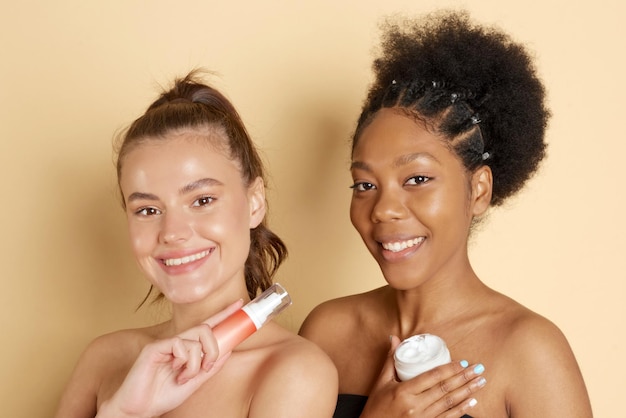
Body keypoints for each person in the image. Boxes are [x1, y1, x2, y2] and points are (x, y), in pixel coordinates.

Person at [300, 10, 592, 418]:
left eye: (417, 179)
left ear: (479, 190)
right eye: (364, 185)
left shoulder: (529, 352)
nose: (382, 209)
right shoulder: (328, 331)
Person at [55, 71, 338, 418]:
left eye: (202, 200)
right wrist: (123, 413)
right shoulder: (105, 359)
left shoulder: (295, 373)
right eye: (147, 209)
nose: (172, 232)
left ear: (254, 203)